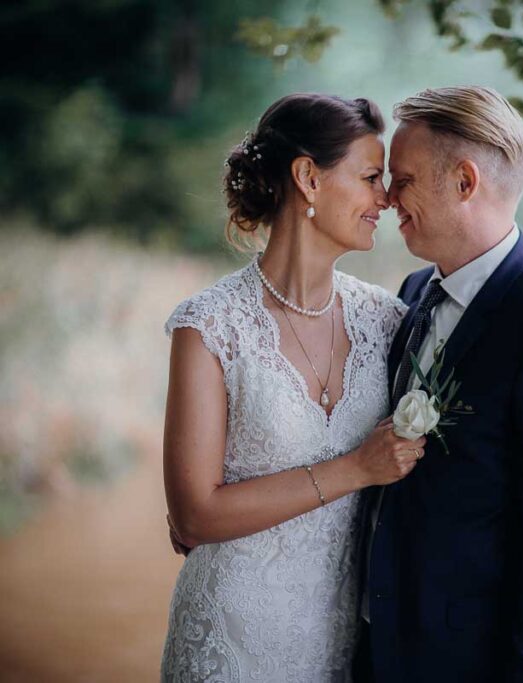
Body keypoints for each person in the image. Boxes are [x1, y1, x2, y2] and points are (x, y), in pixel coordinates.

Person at [355, 86, 523, 682]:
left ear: (465, 182)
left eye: (403, 180)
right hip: (382, 652)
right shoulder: (413, 292)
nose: (387, 197)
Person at [160, 93, 426, 682]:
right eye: (369, 177)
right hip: (228, 640)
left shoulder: (388, 320)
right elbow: (194, 516)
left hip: (337, 642)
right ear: (308, 177)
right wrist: (358, 467)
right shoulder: (208, 327)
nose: (384, 198)